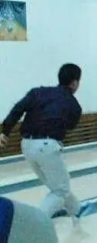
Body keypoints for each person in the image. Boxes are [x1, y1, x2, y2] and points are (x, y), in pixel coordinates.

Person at [0, 63, 86, 221]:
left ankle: (77, 210)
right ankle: (36, 223)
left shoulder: (38, 92)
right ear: (74, 83)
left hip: (26, 145)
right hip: (47, 147)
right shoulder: (74, 106)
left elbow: (18, 109)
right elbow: (70, 126)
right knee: (60, 190)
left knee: (57, 185)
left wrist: (5, 131)